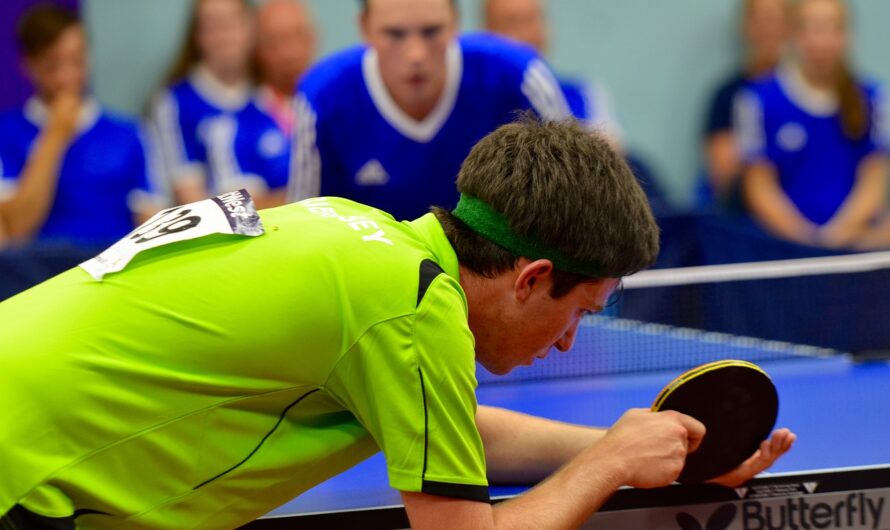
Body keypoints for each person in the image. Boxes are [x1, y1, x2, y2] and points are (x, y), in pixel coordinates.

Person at [0, 117, 794, 530]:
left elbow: (451, 430)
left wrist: (632, 445)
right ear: (534, 278)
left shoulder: (355, 232)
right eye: (577, 314)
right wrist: (607, 466)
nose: (567, 344)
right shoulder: (412, 310)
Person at [287, 0, 572, 221]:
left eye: (431, 31)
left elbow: (576, 202)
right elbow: (303, 230)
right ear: (364, 28)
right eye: (395, 34)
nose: (416, 54)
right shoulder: (322, 99)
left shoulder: (520, 77)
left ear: (455, 22)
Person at [0, 4, 164, 248]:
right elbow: (16, 227)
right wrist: (55, 135)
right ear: (30, 65)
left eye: (76, 61)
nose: (67, 77)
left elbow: (152, 222)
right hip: (40, 271)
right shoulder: (7, 133)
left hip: (114, 264)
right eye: (52, 65)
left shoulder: (128, 134)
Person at [736, 0, 889, 248]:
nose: (821, 41)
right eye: (812, 28)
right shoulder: (757, 100)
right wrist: (807, 241)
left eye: (831, 28)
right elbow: (759, 186)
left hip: (854, 247)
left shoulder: (874, 98)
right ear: (793, 35)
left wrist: (837, 237)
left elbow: (873, 181)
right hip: (782, 250)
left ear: (846, 35)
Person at [203, 0, 317, 210]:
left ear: (313, 38)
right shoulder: (233, 128)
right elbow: (244, 211)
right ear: (257, 50)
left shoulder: (339, 109)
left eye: (298, 36)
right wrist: (325, 195)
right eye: (275, 42)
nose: (289, 52)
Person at [149, 0, 255, 205]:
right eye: (212, 26)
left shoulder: (266, 98)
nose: (223, 38)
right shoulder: (174, 103)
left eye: (230, 24)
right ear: (197, 36)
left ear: (251, 28)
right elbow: (194, 203)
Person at [482, 0, 623, 148]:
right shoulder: (478, 102)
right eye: (512, 23)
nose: (524, 34)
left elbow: (611, 151)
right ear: (486, 33)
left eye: (531, 20)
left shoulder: (584, 93)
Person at [700, 0, 789, 207]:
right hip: (745, 210)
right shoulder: (729, 94)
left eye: (774, 20)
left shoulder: (804, 96)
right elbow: (722, 173)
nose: (767, 28)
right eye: (759, 20)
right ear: (745, 26)